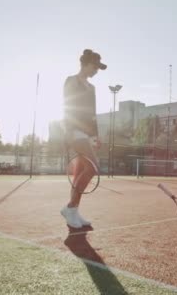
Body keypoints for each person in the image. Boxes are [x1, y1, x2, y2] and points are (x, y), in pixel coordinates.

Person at [60, 49, 106, 228]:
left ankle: (74, 211)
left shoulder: (92, 87)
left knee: (81, 172)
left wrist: (95, 136)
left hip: (86, 134)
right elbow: (67, 106)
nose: (96, 71)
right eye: (95, 67)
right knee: (93, 167)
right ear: (86, 64)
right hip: (74, 131)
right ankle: (70, 208)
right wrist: (68, 130)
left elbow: (92, 114)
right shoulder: (71, 81)